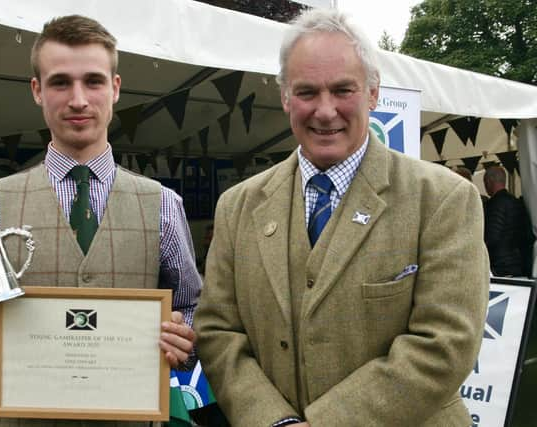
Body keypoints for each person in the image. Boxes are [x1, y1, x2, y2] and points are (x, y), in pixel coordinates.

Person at [194, 8, 489, 427]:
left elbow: (446, 343)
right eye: (307, 92)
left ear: (372, 93)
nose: (325, 110)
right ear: (285, 98)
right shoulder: (237, 206)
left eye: (342, 90)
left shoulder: (442, 199)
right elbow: (219, 332)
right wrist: (272, 420)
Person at [0, 15, 201, 427]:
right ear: (38, 91)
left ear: (115, 88)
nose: (78, 99)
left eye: (93, 81)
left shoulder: (164, 204)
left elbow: (195, 309)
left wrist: (187, 338)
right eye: (60, 82)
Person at [483, 165, 529, 276]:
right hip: (518, 262)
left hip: (500, 265)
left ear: (489, 181)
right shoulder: (516, 202)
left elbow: (492, 237)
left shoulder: (494, 204)